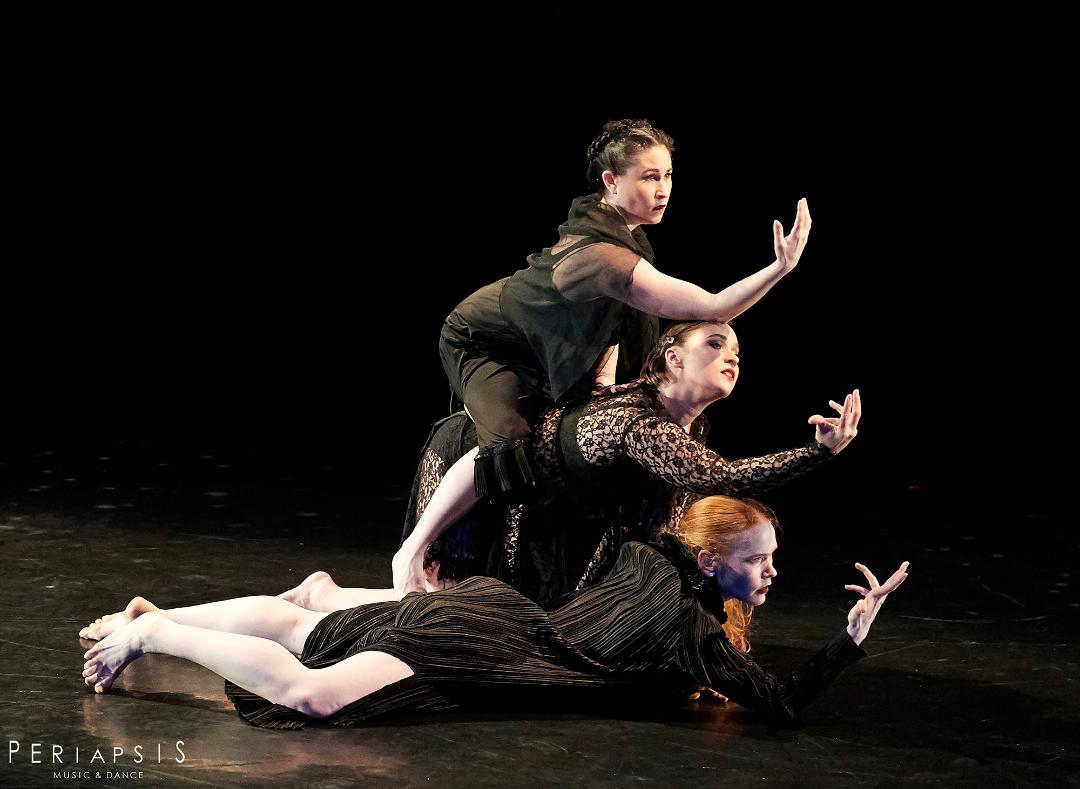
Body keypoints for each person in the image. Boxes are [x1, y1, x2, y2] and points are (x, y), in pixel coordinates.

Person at [400, 117, 813, 593]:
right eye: (649, 177)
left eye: (668, 176)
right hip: (484, 342)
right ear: (611, 182)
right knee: (508, 439)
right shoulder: (600, 256)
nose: (663, 189)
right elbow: (715, 307)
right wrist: (780, 268)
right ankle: (411, 551)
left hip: (537, 345)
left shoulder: (627, 238)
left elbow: (608, 329)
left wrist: (602, 393)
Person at [79, 496, 908, 729]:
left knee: (312, 622)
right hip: (482, 644)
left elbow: (777, 699)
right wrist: (847, 641)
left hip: (492, 617)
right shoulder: (678, 611)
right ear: (707, 557)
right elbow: (780, 701)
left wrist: (850, 636)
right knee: (312, 692)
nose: (771, 572)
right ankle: (155, 630)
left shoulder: (649, 562)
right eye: (757, 558)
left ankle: (165, 615)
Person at [383, 320, 861, 606]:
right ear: (672, 358)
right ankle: (322, 605)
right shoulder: (636, 422)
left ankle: (321, 598)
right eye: (715, 344)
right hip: (486, 471)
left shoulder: (688, 430)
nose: (731, 356)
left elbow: (659, 525)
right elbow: (720, 476)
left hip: (545, 504)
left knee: (508, 610)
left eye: (736, 350)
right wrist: (817, 452)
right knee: (439, 602)